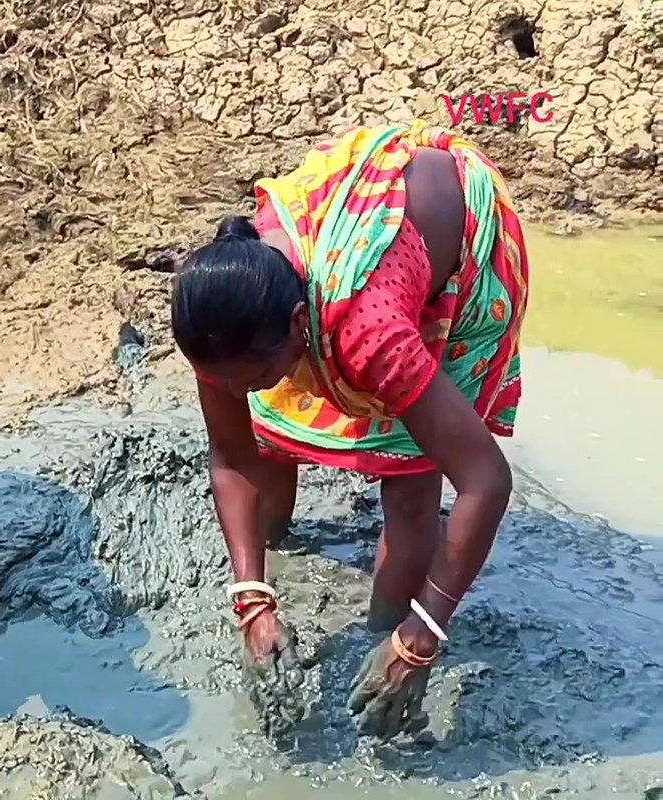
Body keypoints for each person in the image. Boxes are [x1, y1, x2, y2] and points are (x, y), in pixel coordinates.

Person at [170, 121, 529, 738]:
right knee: (270, 425)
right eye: (221, 379)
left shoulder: (371, 334)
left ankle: (385, 630)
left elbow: (486, 482)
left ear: (298, 324)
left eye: (252, 375)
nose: (235, 392)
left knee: (409, 475)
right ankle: (274, 546)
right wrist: (252, 600)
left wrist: (420, 636)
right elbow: (233, 457)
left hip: (455, 239)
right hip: (352, 219)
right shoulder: (222, 313)